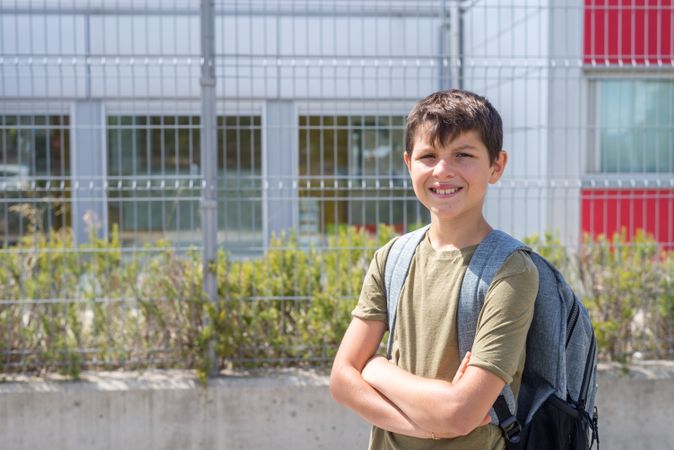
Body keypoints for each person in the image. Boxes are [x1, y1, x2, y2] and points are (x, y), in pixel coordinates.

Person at [329, 89, 539, 449]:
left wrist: (377, 370)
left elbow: (460, 412)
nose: (443, 170)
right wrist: (430, 427)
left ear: (496, 166)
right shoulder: (392, 257)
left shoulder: (511, 269)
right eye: (429, 156)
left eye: (463, 154)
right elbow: (341, 380)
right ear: (409, 164)